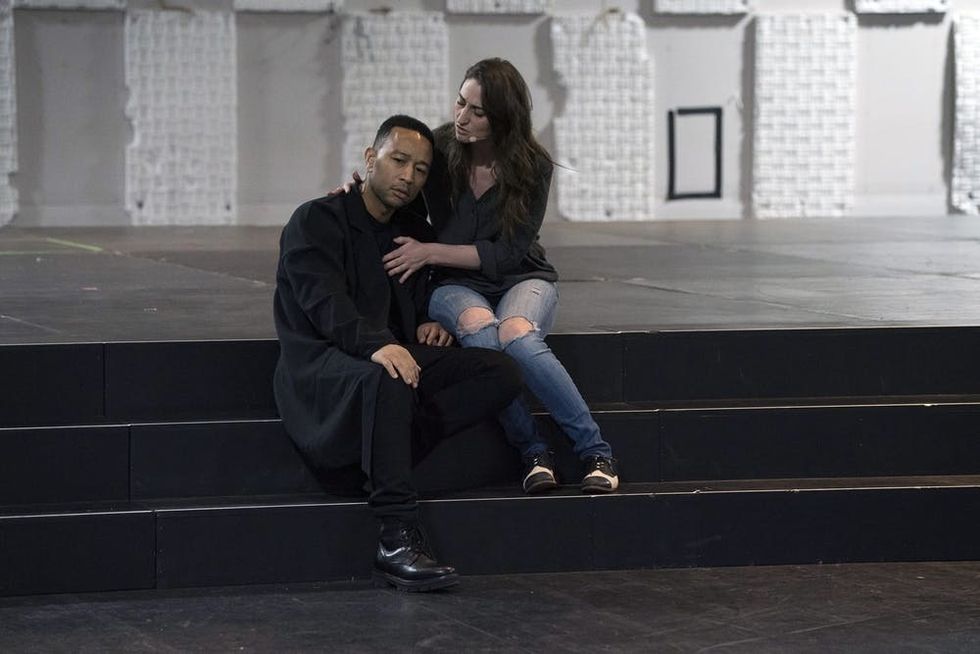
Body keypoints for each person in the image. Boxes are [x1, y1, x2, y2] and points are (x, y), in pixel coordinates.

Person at [273, 115, 523, 592]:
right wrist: (381, 345)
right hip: (323, 364)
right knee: (391, 375)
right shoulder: (316, 220)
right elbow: (326, 307)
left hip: (389, 358)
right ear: (371, 159)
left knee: (500, 372)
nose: (408, 176)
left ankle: (384, 450)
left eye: (421, 170)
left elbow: (421, 288)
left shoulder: (410, 228)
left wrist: (429, 317)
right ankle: (395, 539)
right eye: (399, 161)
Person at [379, 59, 621, 495]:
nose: (462, 117)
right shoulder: (438, 148)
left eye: (478, 112)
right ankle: (533, 451)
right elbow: (394, 186)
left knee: (517, 337)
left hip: (521, 275)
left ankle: (595, 452)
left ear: (504, 118)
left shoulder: (533, 165)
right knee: (481, 334)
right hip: (454, 283)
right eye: (460, 103)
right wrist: (355, 191)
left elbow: (508, 253)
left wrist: (430, 251)